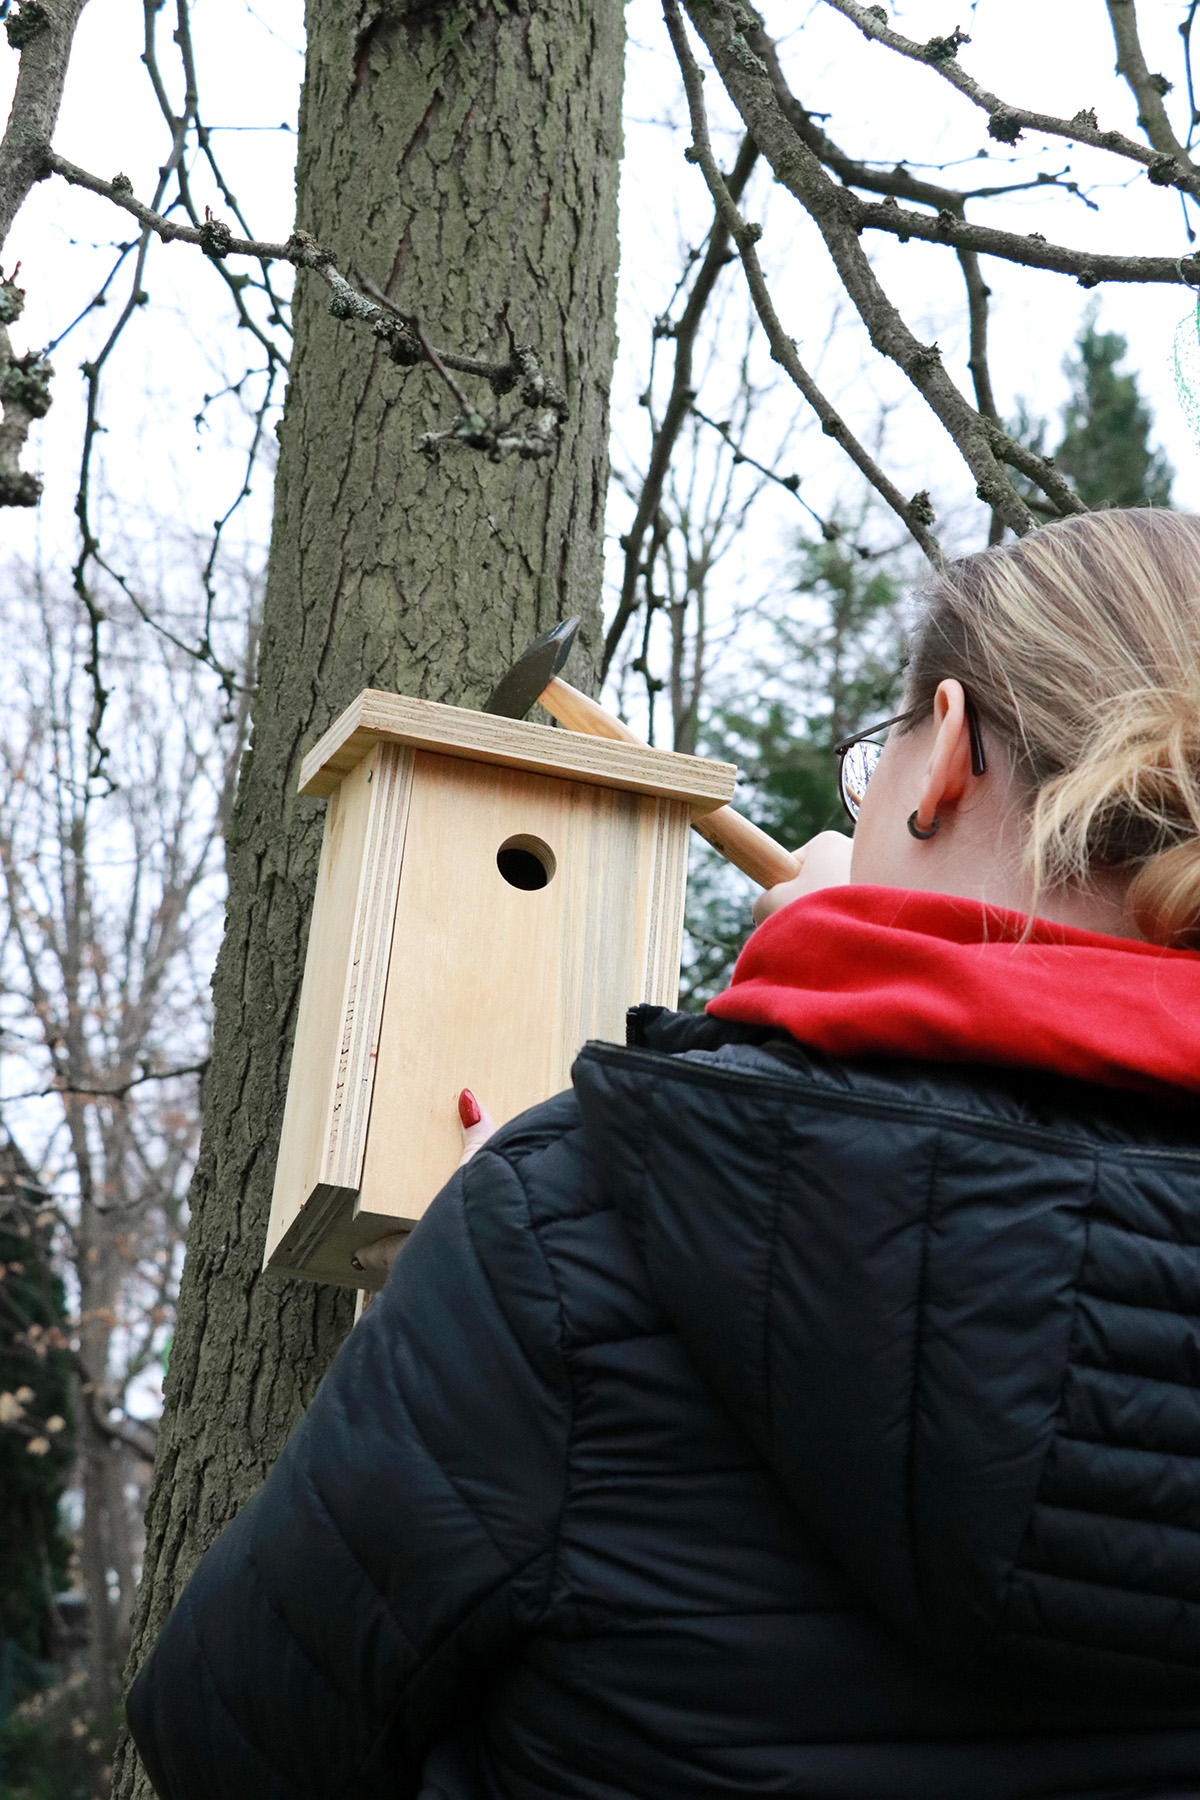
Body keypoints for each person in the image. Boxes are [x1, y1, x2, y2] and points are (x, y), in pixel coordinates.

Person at [129, 509, 1200, 1799]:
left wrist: (494, 1266)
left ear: (948, 756)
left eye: (880, 762)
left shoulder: (570, 1227)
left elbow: (226, 1740)